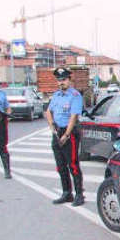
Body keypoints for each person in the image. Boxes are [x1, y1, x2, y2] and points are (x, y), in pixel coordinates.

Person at [45, 67, 85, 207]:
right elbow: (48, 111)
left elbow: (74, 117)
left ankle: (79, 194)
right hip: (57, 132)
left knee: (73, 165)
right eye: (59, 80)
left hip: (70, 133)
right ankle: (67, 192)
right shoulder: (56, 96)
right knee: (60, 165)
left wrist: (66, 135)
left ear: (69, 80)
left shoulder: (74, 95)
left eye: (64, 79)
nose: (61, 82)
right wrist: (51, 126)